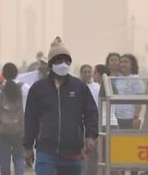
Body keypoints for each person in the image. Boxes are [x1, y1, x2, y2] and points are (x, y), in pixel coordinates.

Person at [24, 38, 99, 175]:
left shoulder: (79, 87)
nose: (63, 64)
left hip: (73, 151)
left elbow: (91, 112)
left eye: (66, 60)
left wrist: (90, 136)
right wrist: (27, 146)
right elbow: (30, 119)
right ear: (51, 64)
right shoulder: (38, 89)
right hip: (46, 150)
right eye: (59, 61)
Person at [0, 63, 30, 175]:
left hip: (2, 129)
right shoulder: (24, 87)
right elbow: (31, 108)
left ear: (3, 74)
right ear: (16, 73)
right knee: (18, 157)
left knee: (4, 158)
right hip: (20, 128)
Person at [80, 64, 101, 175]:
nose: (87, 74)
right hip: (80, 125)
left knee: (93, 154)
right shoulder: (78, 87)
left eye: (89, 71)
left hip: (94, 124)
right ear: (81, 73)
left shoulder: (97, 87)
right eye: (85, 72)